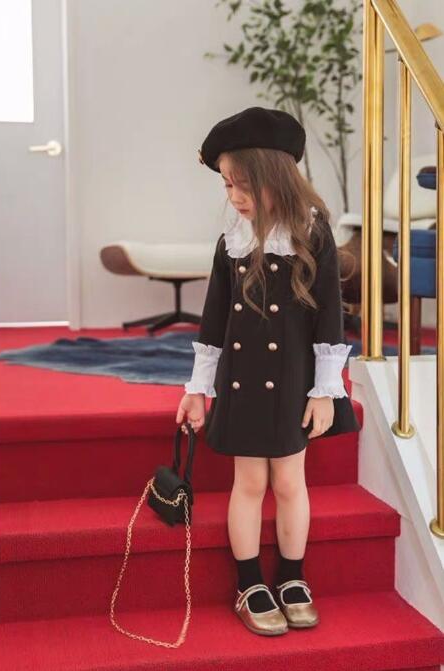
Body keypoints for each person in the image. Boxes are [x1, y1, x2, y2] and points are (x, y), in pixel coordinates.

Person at [176, 106, 360, 636]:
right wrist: (197, 389)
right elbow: (213, 319)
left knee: (289, 481)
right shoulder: (231, 243)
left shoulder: (312, 236)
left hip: (293, 383)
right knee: (250, 481)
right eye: (227, 185)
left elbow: (329, 318)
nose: (234, 196)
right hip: (241, 379)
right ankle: (250, 582)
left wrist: (326, 392)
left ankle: (293, 577)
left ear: (276, 178)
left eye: (244, 184)